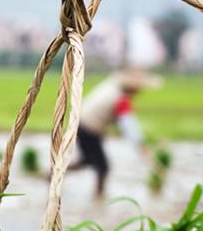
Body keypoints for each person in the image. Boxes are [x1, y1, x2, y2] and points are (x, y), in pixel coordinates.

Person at [69, 69, 162, 198]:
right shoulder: (121, 101)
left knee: (87, 160)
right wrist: (142, 147)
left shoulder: (112, 85)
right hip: (88, 129)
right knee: (103, 167)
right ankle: (99, 197)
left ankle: (53, 176)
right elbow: (130, 129)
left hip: (81, 124)